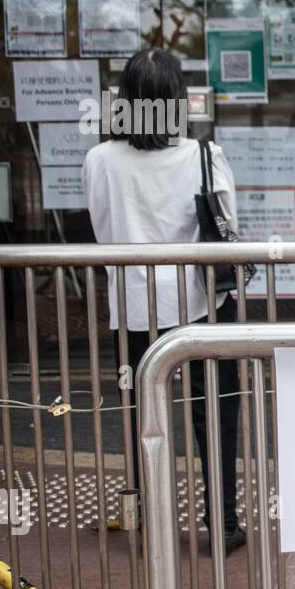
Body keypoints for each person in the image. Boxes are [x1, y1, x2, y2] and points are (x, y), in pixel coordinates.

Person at [81, 48, 247, 556]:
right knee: (215, 413)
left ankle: (151, 522)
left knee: (143, 414)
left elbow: (101, 227)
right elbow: (227, 231)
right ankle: (221, 523)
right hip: (200, 307)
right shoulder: (204, 155)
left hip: (133, 308)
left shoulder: (100, 160)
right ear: (177, 100)